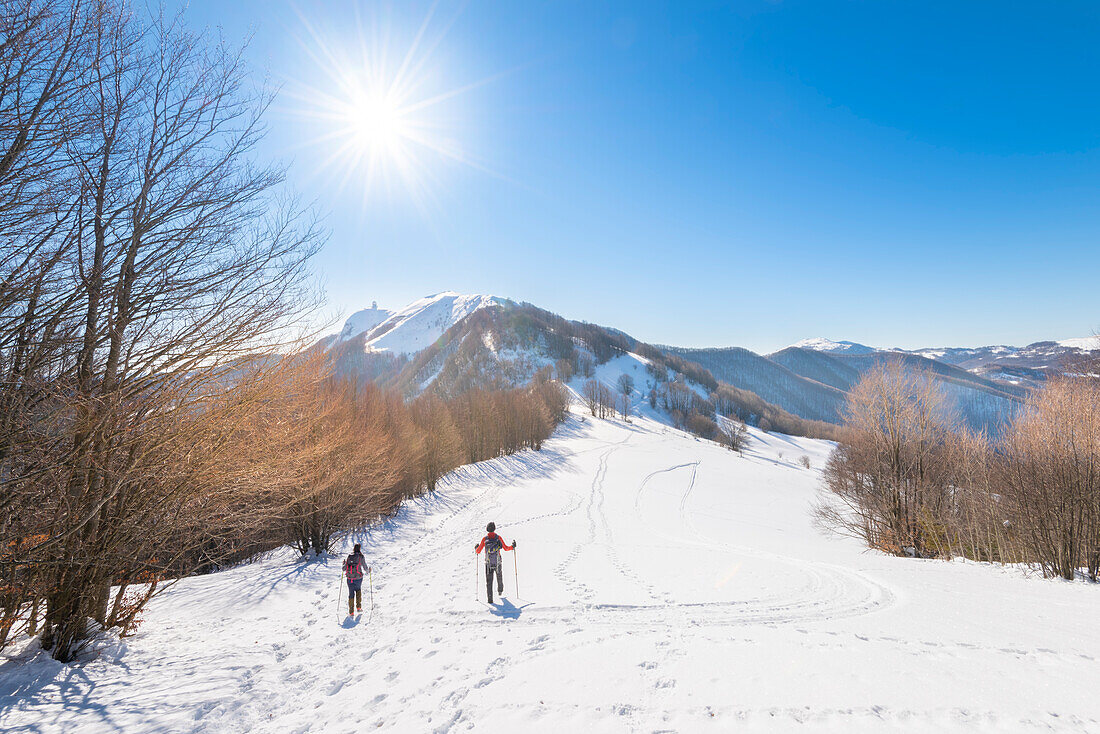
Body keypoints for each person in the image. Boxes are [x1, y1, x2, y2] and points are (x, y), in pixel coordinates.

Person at [474, 522, 516, 604]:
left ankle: (490, 599)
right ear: (494, 528)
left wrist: (476, 548)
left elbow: (478, 551)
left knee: (489, 581)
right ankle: (500, 590)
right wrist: (513, 546)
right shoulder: (498, 538)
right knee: (499, 577)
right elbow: (506, 548)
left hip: (488, 563)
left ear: (487, 529)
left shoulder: (485, 539)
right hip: (498, 562)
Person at [343, 543, 370, 616]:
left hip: (349, 578)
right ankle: (358, 608)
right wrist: (368, 571)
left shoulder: (349, 556)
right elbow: (365, 567)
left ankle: (351, 611)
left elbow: (344, 569)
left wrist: (343, 564)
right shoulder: (361, 556)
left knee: (351, 593)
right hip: (358, 578)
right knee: (358, 591)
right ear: (359, 549)